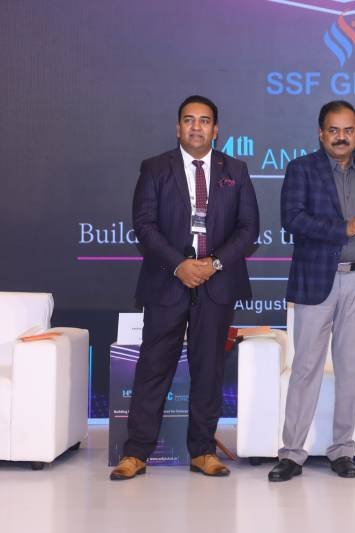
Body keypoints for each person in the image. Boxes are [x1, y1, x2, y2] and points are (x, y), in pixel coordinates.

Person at [111, 95, 259, 480]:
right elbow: (144, 225)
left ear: (216, 129)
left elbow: (248, 229)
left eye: (204, 120)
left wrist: (213, 264)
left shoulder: (235, 170)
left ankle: (203, 451)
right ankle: (136, 453)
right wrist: (179, 265)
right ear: (178, 128)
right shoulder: (155, 168)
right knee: (153, 367)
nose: (197, 127)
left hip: (216, 282)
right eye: (189, 120)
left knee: (208, 369)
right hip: (167, 280)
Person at [268, 100, 355, 482]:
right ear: (321, 134)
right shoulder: (301, 169)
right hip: (317, 279)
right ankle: (291, 454)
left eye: (348, 130)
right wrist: (343, 227)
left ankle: (342, 450)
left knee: (350, 370)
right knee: (305, 368)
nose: (341, 137)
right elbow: (292, 220)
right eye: (334, 130)